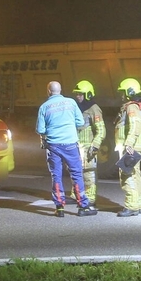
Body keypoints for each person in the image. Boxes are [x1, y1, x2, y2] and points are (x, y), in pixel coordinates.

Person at [35, 81, 97, 217]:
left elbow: (40, 129)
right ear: (61, 90)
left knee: (56, 175)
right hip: (70, 144)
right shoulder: (71, 103)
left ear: (48, 91)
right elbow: (80, 122)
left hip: (53, 145)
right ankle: (83, 207)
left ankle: (59, 208)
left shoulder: (44, 107)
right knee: (76, 174)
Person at [114, 77, 141, 217]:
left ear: (130, 91)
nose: (122, 95)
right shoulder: (137, 106)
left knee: (128, 176)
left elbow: (134, 126)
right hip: (135, 147)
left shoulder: (132, 107)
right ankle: (137, 205)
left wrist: (128, 144)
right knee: (135, 175)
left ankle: (131, 206)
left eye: (123, 92)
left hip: (130, 148)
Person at [73, 80, 106, 207]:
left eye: (80, 94)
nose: (78, 97)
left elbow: (101, 130)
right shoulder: (77, 108)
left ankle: (90, 198)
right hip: (77, 146)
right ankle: (76, 195)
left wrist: (95, 145)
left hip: (88, 147)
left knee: (89, 173)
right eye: (77, 94)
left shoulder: (94, 109)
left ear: (88, 94)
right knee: (75, 172)